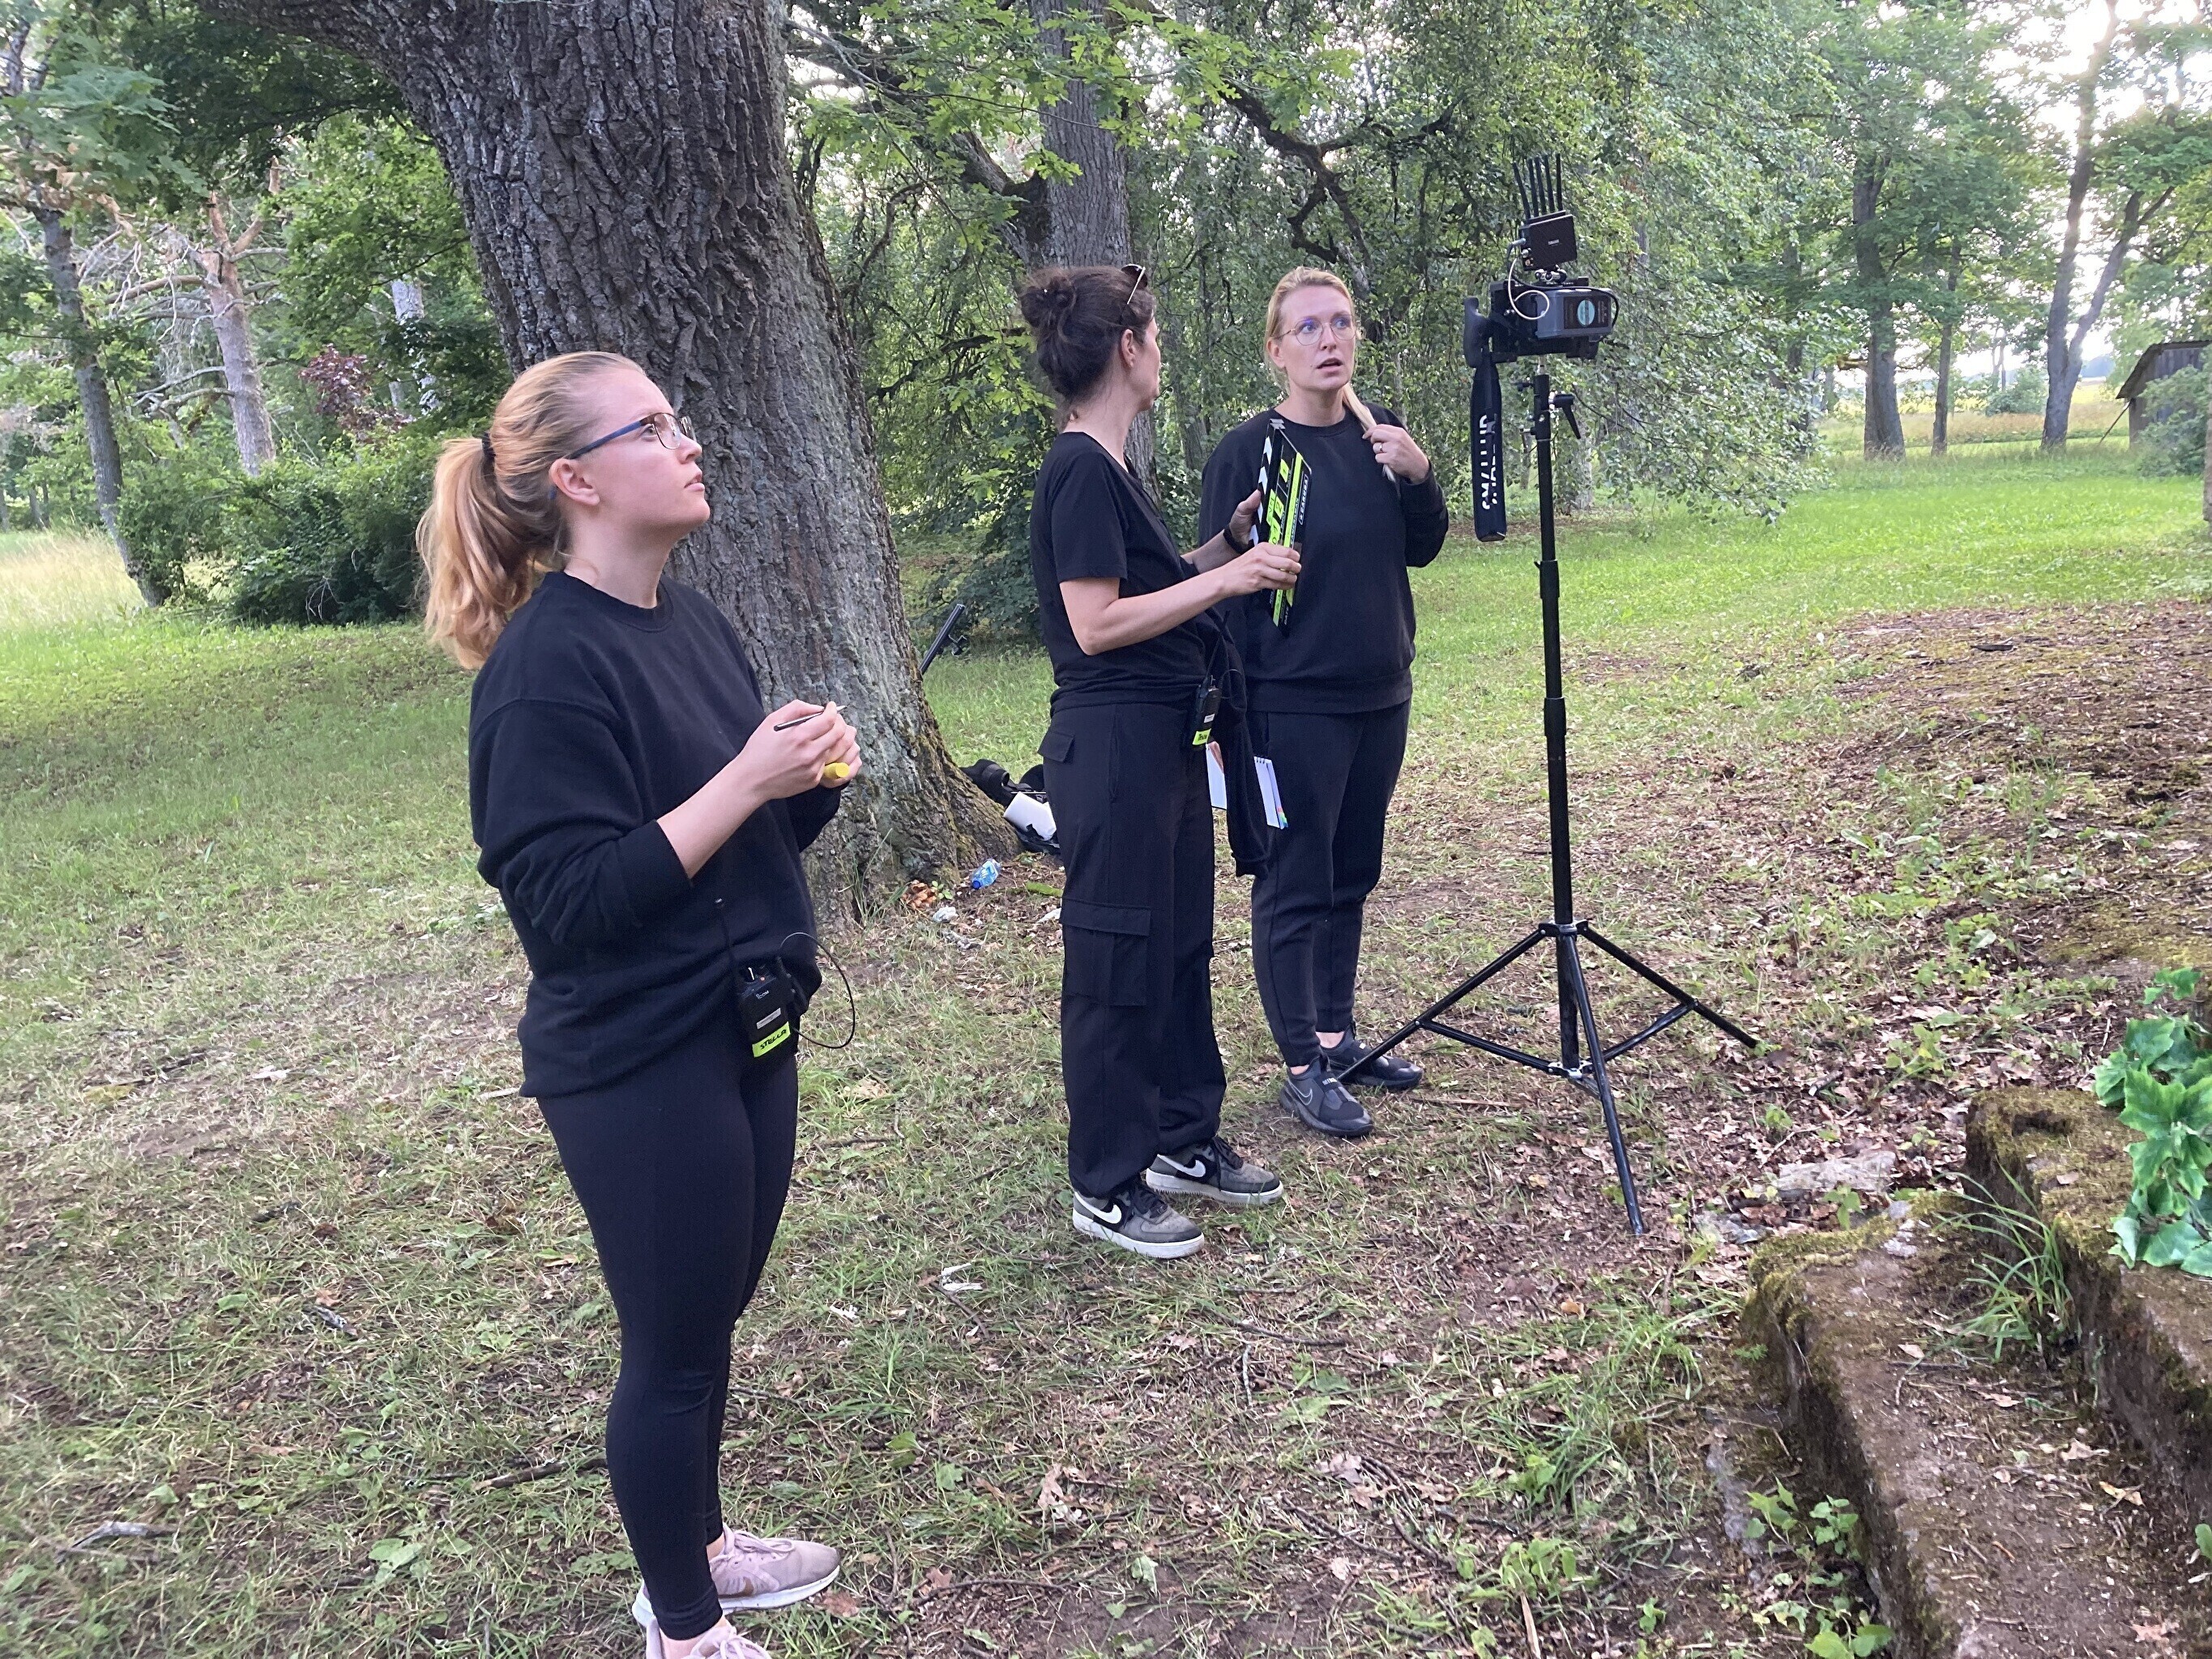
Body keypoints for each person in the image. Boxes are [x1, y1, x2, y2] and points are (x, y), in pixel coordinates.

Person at [421, 351, 860, 1659]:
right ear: (577, 480)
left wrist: (804, 780)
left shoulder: (692, 620)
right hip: (636, 1056)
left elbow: (729, 838)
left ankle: (704, 1548)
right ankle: (684, 1626)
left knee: (707, 1317)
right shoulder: (543, 670)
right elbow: (566, 901)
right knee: (670, 1348)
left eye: (680, 417)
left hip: (745, 1019)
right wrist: (743, 780)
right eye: (656, 426)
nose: (690, 441)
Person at [1019, 263, 1301, 1259]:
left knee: (1179, 943)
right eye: (1157, 336)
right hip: (1112, 749)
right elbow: (1097, 624)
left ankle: (1183, 1135)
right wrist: (1232, 580)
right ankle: (1105, 1179)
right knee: (1117, 957)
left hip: (1165, 743)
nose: (1163, 352)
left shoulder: (1112, 468)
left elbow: (1141, 585)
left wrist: (1218, 549)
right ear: (1128, 347)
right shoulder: (1077, 468)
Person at [1199, 268, 1450, 1139]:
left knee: (1353, 872)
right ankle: (1302, 1065)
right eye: (1307, 327)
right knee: (1295, 878)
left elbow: (1422, 547)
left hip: (1380, 692)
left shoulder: (1381, 434)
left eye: (1340, 322)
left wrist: (1420, 475)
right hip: (1288, 705)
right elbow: (1216, 585)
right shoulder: (1250, 450)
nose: (1328, 339)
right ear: (1277, 350)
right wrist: (1229, 718)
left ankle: (1340, 1040)